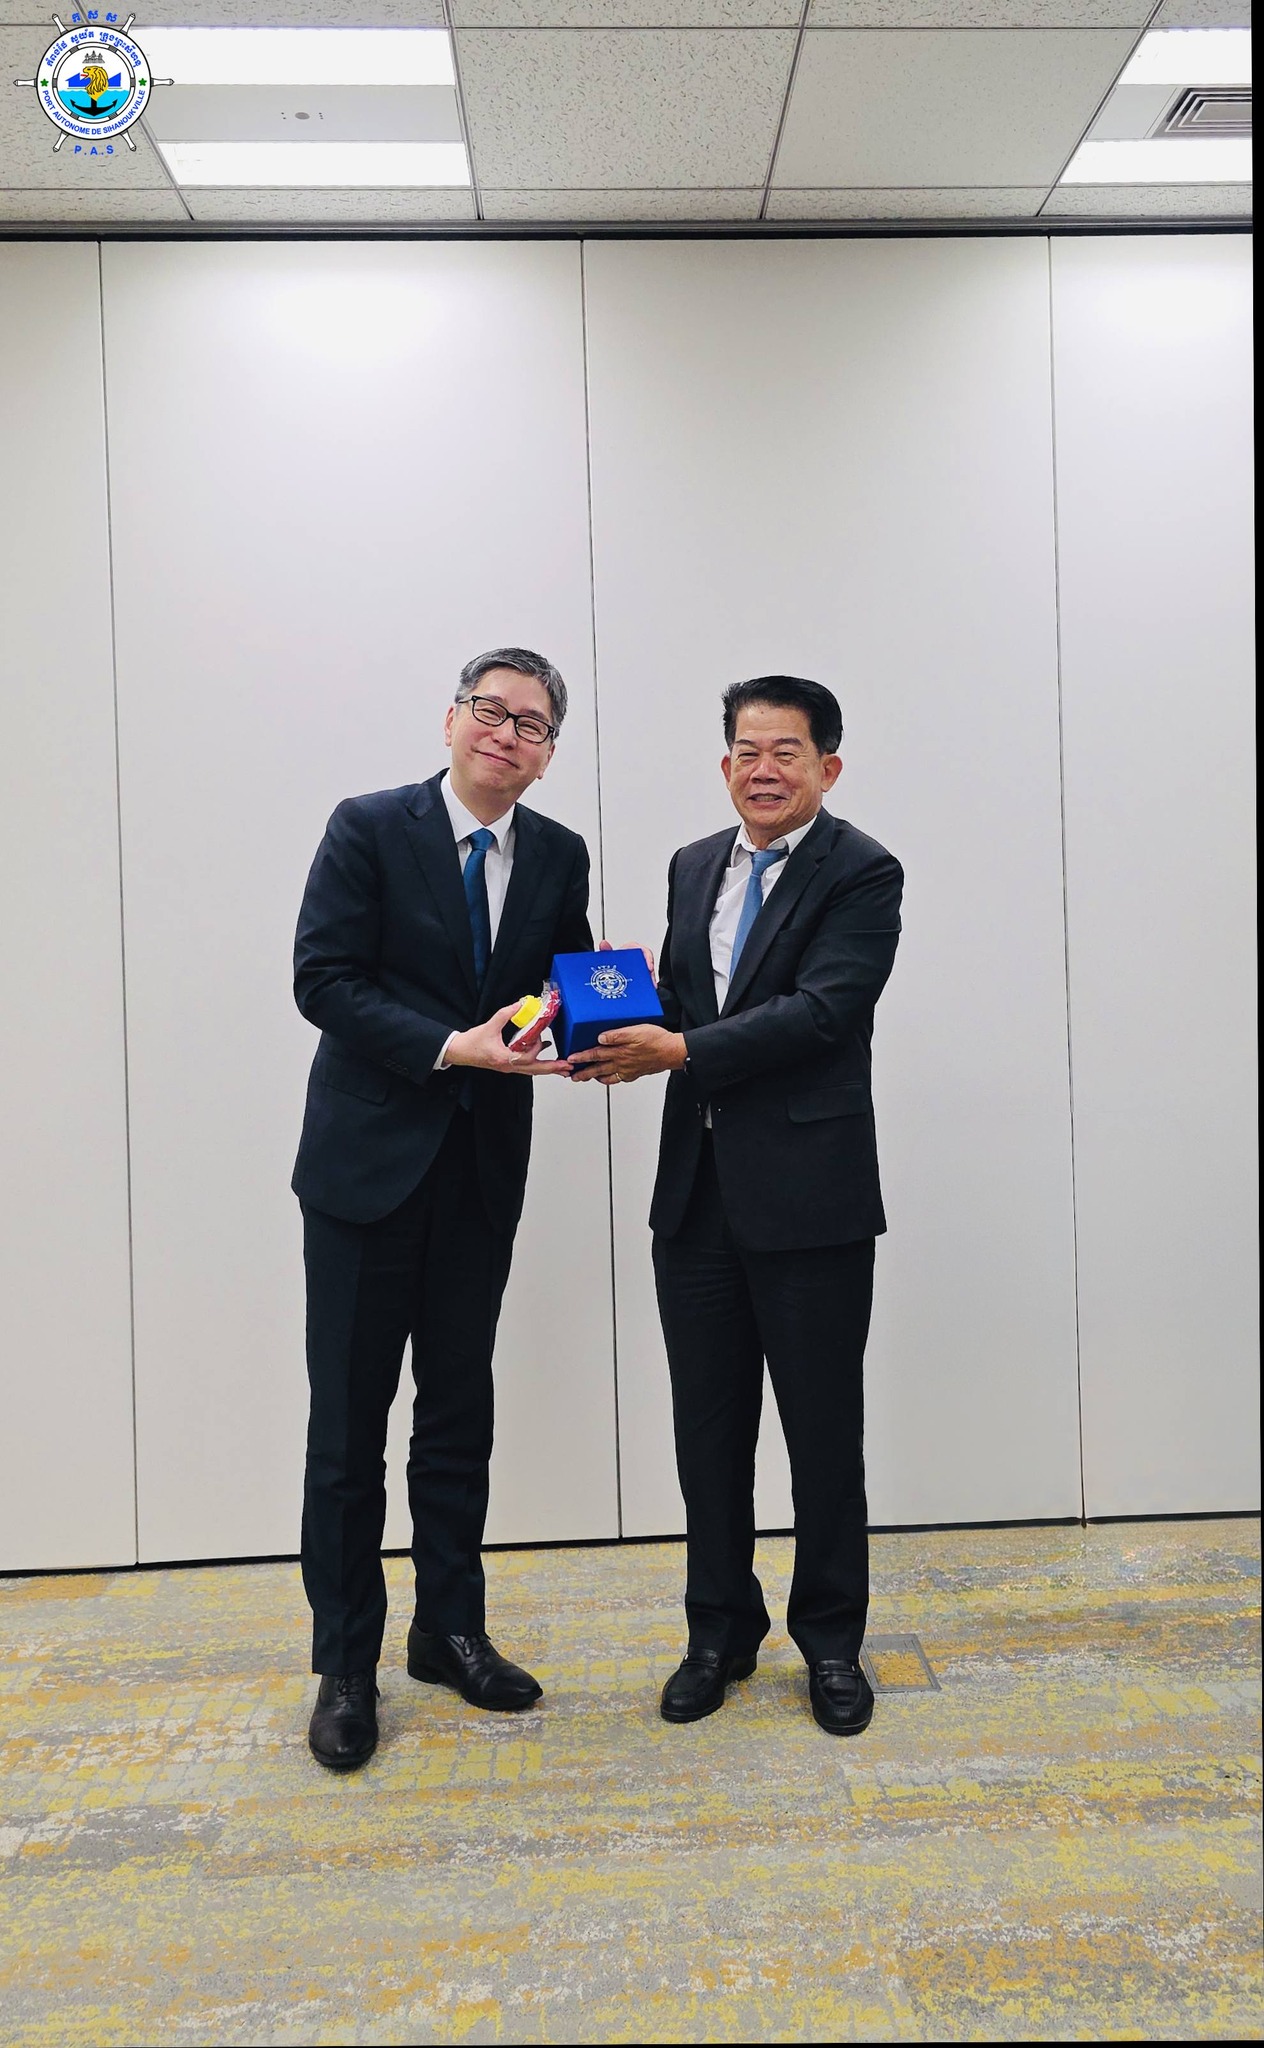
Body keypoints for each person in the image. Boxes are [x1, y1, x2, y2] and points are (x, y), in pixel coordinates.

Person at [572, 676, 902, 1736]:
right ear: (725, 765)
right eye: (746, 751)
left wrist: (678, 1049)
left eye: (786, 752)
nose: (763, 770)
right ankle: (717, 1631)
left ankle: (832, 1643)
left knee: (821, 1435)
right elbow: (685, 997)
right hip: (696, 1199)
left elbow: (821, 1012)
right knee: (707, 1434)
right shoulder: (692, 864)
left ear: (826, 767)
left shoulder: (862, 870)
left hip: (811, 1201)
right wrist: (601, 1014)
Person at [292, 648, 592, 1770]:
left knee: (458, 1415)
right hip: (364, 1173)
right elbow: (322, 979)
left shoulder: (557, 853)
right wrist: (447, 1046)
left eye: (532, 724)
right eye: (490, 710)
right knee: (348, 1430)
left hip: (477, 1173)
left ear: (548, 756)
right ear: (452, 718)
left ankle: (449, 1630)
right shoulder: (369, 826)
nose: (506, 733)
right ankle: (345, 1665)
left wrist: (609, 1010)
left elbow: (563, 982)